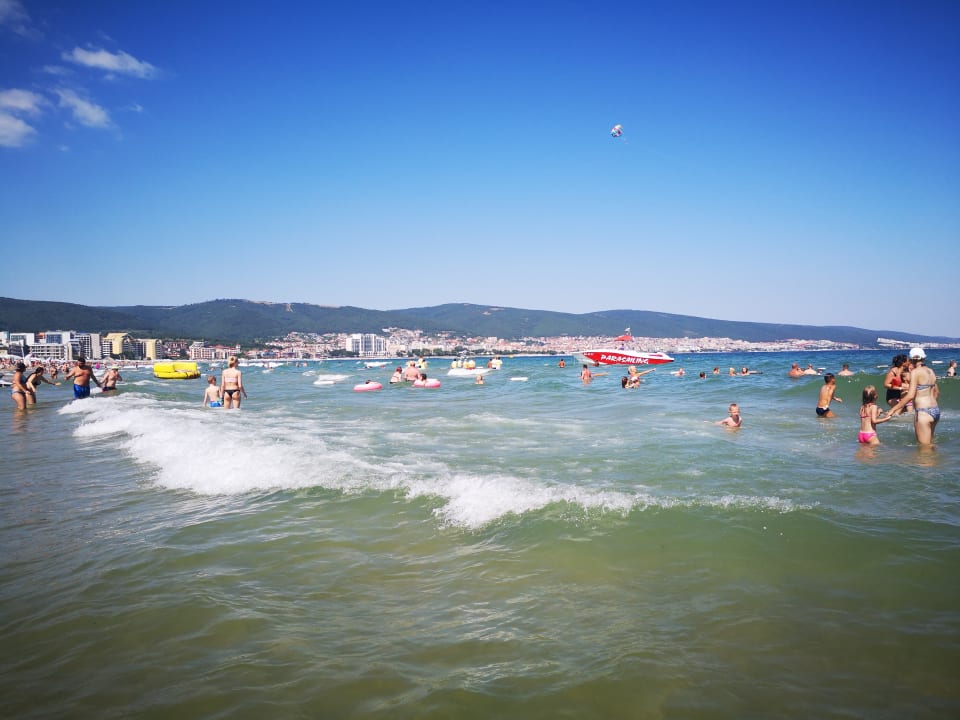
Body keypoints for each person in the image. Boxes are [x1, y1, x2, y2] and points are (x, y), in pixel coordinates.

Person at [888, 348, 940, 445]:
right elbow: (937, 392)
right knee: (930, 444)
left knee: (924, 449)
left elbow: (910, 395)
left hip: (923, 412)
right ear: (923, 358)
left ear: (912, 359)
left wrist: (892, 410)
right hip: (935, 410)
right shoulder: (931, 371)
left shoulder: (915, 372)